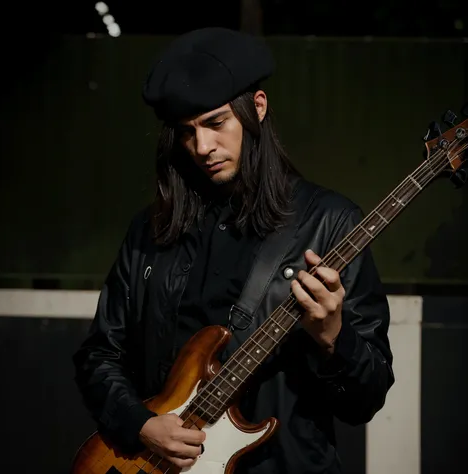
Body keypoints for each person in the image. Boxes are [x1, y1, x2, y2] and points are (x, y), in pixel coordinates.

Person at [73, 27, 394, 474]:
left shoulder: (329, 222)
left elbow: (367, 399)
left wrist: (333, 338)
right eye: (187, 132)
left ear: (256, 108)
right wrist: (142, 424)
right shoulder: (152, 229)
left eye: (215, 123)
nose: (202, 147)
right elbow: (99, 354)